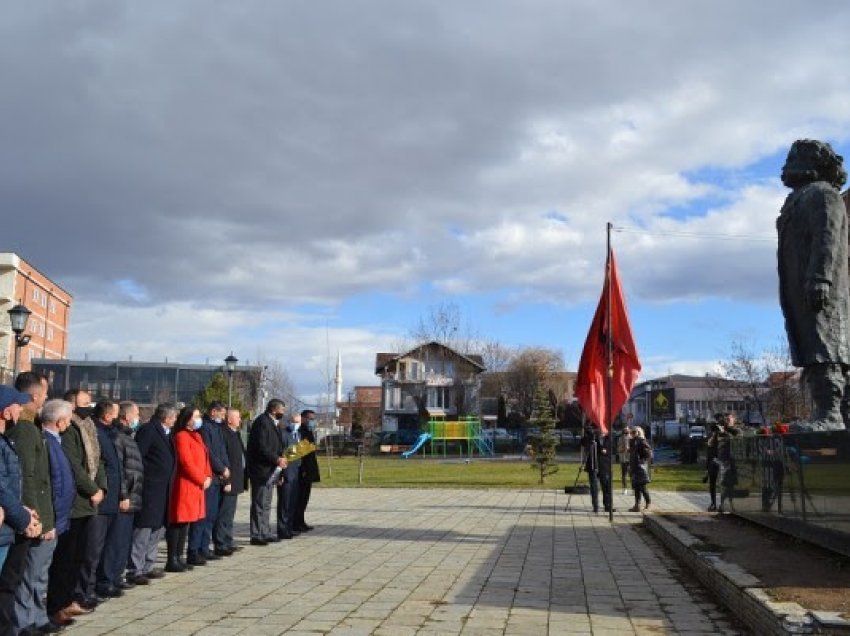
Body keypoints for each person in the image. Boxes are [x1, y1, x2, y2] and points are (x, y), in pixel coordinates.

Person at [777, 139, 850, 430]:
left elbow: (827, 239)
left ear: (812, 163)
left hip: (820, 288)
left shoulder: (824, 194)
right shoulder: (798, 199)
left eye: (794, 157)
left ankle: (830, 414)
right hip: (799, 286)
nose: (787, 163)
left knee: (824, 347)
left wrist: (820, 278)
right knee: (810, 347)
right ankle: (824, 411)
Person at [46, 393, 105, 625]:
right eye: (83, 405)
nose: (87, 409)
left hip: (91, 502)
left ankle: (69, 600)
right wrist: (92, 489)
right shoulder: (68, 432)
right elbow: (73, 465)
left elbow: (97, 460)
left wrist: (102, 488)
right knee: (65, 559)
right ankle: (57, 604)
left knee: (80, 556)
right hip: (77, 504)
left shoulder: (88, 428)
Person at [6, 372, 55, 634]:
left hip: (32, 513)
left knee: (32, 573)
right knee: (22, 575)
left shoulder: (30, 426)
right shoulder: (25, 429)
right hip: (27, 516)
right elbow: (27, 476)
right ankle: (22, 623)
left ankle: (31, 619)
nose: (46, 398)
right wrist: (34, 517)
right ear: (34, 396)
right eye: (45, 393)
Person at [0, 385, 42, 636]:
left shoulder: (7, 440)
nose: (21, 409)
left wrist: (22, 509)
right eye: (17, 405)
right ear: (6, 412)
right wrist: (23, 518)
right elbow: (2, 486)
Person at [31, 399, 76, 635]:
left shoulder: (56, 442)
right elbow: (48, 486)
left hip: (58, 519)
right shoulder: (46, 443)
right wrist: (50, 521)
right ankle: (35, 620)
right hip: (50, 521)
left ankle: (40, 617)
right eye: (68, 419)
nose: (70, 423)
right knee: (37, 574)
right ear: (60, 422)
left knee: (44, 572)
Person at [128, 403, 177, 583]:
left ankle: (148, 564)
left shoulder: (167, 433)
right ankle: (135, 568)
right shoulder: (149, 430)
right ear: (166, 417)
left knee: (157, 528)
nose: (175, 421)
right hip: (150, 488)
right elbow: (139, 456)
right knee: (144, 529)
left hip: (164, 489)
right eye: (174, 417)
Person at [100, 401, 144, 593]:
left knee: (123, 540)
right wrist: (123, 494)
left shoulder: (129, 436)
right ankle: (107, 579)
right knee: (114, 542)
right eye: (136, 414)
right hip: (123, 497)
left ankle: (117, 576)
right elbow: (119, 469)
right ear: (126, 417)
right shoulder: (117, 437)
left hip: (133, 495)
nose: (138, 418)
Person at [166, 406, 212, 572]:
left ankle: (180, 556)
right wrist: (201, 478)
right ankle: (172, 558)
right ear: (187, 419)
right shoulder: (181, 436)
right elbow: (186, 462)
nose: (199, 419)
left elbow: (205, 458)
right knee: (178, 522)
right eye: (196, 416)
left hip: (197, 485)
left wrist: (207, 476)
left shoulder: (197, 436)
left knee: (186, 523)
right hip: (185, 484)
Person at [188, 402, 230, 564]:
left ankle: (204, 548)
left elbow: (222, 450)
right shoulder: (205, 428)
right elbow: (209, 453)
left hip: (217, 477)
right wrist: (220, 468)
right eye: (221, 413)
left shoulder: (216, 428)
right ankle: (195, 549)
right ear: (213, 412)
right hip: (209, 477)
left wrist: (226, 470)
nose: (223, 417)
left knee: (211, 516)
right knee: (202, 517)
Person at [246, 399, 287, 545]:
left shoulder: (273, 424)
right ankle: (256, 534)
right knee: (259, 503)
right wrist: (276, 459)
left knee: (267, 503)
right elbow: (261, 447)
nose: (283, 413)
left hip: (271, 471)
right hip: (261, 470)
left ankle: (265, 531)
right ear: (274, 409)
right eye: (282, 410)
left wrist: (280, 465)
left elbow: (276, 446)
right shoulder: (262, 422)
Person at [213, 408, 245, 556]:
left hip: (237, 479)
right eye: (237, 417)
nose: (240, 420)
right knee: (224, 513)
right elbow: (224, 457)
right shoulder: (224, 433)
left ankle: (228, 540)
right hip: (228, 479)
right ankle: (220, 543)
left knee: (230, 514)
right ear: (229, 419)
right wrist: (227, 479)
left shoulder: (235, 433)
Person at [276, 413, 301, 540]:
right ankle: (282, 529)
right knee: (284, 503)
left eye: (298, 422)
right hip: (285, 473)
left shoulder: (298, 435)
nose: (296, 424)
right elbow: (280, 454)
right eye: (294, 421)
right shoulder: (283, 434)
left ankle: (289, 528)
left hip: (295, 473)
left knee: (292, 503)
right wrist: (280, 474)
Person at [294, 409, 320, 532]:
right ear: (303, 418)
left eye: (313, 419)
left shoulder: (309, 431)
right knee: (299, 498)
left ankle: (301, 520)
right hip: (302, 470)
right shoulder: (300, 432)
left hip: (309, 469)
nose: (312, 422)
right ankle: (296, 521)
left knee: (305, 498)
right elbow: (299, 452)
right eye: (310, 419)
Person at [581, 426, 613, 514]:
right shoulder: (592, 437)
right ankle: (595, 506)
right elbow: (583, 442)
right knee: (594, 487)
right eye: (600, 429)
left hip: (604, 465)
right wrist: (589, 434)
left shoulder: (609, 438)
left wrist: (606, 450)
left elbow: (612, 451)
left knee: (606, 486)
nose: (602, 431)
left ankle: (607, 505)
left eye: (604, 429)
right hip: (593, 465)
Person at [717, 412, 742, 513]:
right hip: (725, 461)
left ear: (734, 420)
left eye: (729, 419)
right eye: (726, 419)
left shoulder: (736, 430)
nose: (728, 421)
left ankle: (727, 504)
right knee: (726, 484)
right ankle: (724, 505)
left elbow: (739, 438)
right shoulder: (722, 430)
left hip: (733, 462)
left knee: (730, 485)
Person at [628, 427, 652, 512]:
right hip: (634, 467)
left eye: (634, 432)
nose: (632, 434)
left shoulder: (642, 441)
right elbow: (632, 453)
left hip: (640, 467)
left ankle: (648, 503)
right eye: (631, 432)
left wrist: (641, 460)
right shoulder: (632, 441)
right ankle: (637, 505)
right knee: (636, 487)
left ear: (639, 432)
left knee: (643, 487)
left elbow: (648, 452)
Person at [704, 421, 722, 512]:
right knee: (721, 485)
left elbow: (708, 455)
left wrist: (706, 469)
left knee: (713, 484)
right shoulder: (721, 438)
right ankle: (721, 504)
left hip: (712, 463)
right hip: (719, 463)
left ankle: (713, 504)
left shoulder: (710, 439)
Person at [617, 428, 631, 495]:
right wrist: (622, 449)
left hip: (631, 458)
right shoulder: (620, 438)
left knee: (632, 474)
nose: (626, 432)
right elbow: (618, 448)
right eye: (625, 430)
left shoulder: (631, 438)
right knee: (624, 474)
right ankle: (625, 488)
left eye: (627, 430)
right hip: (623, 459)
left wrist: (629, 449)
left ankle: (634, 488)